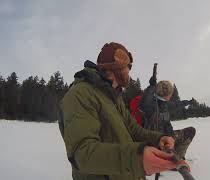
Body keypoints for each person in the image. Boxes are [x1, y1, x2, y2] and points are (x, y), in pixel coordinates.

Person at [58, 42, 189, 180]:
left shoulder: (113, 97)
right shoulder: (80, 94)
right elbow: (82, 154)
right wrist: (137, 159)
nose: (129, 71)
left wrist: (158, 139)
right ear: (118, 67)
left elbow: (134, 130)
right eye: (128, 67)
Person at [138, 77, 196, 179]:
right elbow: (143, 105)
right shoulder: (151, 105)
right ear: (168, 95)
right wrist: (151, 86)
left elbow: (178, 104)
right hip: (156, 142)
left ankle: (175, 156)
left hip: (167, 137)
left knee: (188, 131)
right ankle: (174, 159)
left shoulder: (165, 104)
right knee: (190, 132)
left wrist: (188, 102)